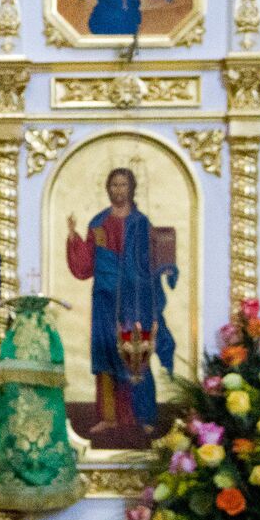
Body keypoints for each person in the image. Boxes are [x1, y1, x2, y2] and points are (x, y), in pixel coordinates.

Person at [66, 165, 177, 439]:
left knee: (135, 353)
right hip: (104, 299)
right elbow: (86, 265)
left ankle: (144, 416)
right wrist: (73, 238)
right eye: (113, 185)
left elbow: (151, 260)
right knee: (105, 354)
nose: (118, 190)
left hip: (133, 300)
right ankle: (108, 418)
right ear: (108, 189)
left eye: (123, 185)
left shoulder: (141, 223)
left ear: (131, 188)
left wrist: (164, 266)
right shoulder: (98, 223)